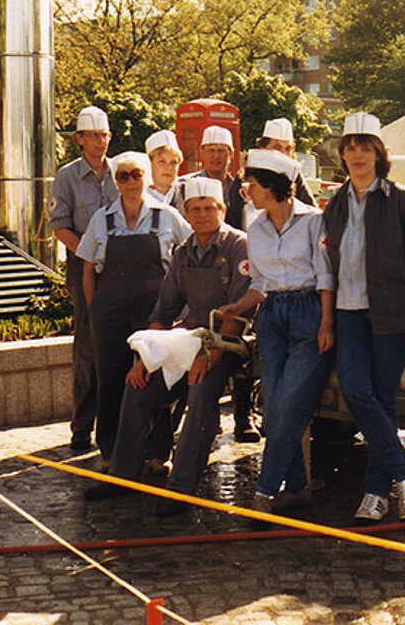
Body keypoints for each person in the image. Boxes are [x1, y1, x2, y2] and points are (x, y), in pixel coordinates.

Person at [84, 177, 251, 517]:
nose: (202, 215)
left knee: (202, 391)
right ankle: (122, 475)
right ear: (186, 214)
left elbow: (240, 310)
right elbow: (163, 311)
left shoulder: (238, 246)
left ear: (221, 210)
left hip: (232, 342)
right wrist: (147, 356)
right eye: (195, 209)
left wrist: (212, 351)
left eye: (209, 208)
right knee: (138, 385)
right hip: (188, 340)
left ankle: (182, 488)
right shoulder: (182, 252)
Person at [322, 112, 405, 522]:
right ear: (343, 154)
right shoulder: (334, 204)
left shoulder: (401, 198)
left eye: (365, 148)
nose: (357, 155)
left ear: (378, 154)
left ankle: (375, 493)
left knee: (383, 399)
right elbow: (326, 263)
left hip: (392, 314)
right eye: (350, 148)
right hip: (349, 313)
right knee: (356, 391)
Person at [220, 149, 334, 515]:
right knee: (273, 409)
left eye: (251, 185)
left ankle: (265, 491)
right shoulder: (255, 227)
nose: (246, 192)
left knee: (287, 406)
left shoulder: (315, 222)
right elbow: (260, 282)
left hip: (309, 314)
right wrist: (240, 306)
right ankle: (297, 486)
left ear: (272, 186)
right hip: (271, 317)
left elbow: (326, 277)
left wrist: (326, 323)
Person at [76, 152, 192, 470]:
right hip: (109, 311)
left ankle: (157, 453)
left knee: (156, 376)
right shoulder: (101, 218)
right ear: (116, 181)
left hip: (154, 310)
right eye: (123, 176)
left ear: (145, 177)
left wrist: (179, 306)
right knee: (111, 379)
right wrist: (94, 307)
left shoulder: (167, 215)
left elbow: (191, 252)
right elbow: (88, 269)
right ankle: (111, 451)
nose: (130, 182)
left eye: (136, 175)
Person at [176, 125, 260, 443]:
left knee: (240, 349)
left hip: (243, 274)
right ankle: (204, 421)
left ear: (230, 154)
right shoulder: (189, 185)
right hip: (202, 274)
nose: (215, 155)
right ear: (201, 152)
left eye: (221, 150)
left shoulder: (246, 186)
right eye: (209, 149)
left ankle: (243, 416)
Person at [48, 106, 120, 452]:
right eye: (94, 135)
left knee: (123, 342)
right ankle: (82, 426)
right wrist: (89, 252)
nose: (100, 142)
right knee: (88, 345)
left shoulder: (121, 171)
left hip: (121, 267)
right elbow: (59, 225)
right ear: (79, 139)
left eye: (105, 135)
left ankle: (117, 422)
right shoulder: (67, 177)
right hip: (84, 267)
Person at [226, 117, 316, 231]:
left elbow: (310, 210)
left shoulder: (294, 176)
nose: (282, 154)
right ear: (262, 148)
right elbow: (235, 219)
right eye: (276, 148)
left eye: (287, 149)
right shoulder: (245, 177)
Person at [145, 129, 183, 208]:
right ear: (149, 163)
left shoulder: (186, 194)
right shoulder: (139, 198)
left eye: (173, 162)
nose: (168, 168)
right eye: (162, 162)